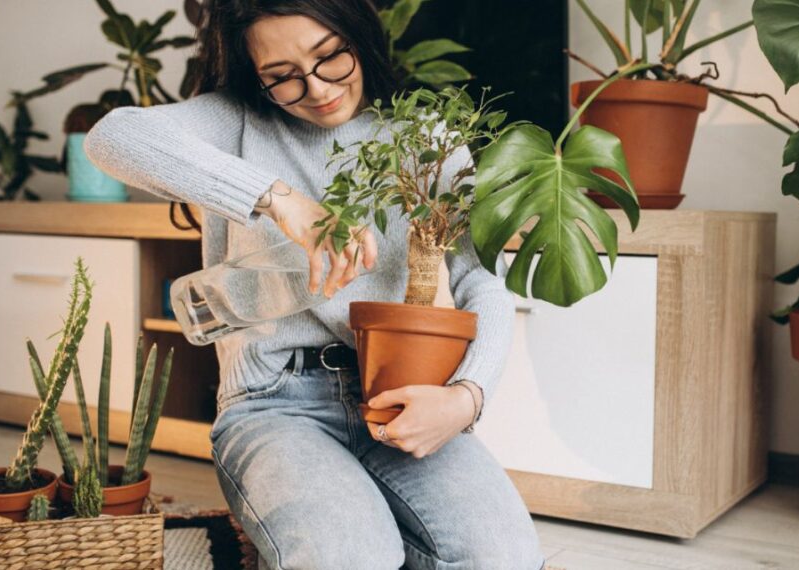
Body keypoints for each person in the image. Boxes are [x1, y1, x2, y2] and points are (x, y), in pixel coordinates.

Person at [83, 0, 545, 568]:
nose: (317, 88)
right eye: (282, 77)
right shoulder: (236, 121)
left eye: (330, 57)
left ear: (358, 36)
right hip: (274, 401)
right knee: (351, 558)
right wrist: (279, 201)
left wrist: (465, 398)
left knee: (504, 558)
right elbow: (111, 138)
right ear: (257, 76)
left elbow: (479, 279)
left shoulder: (427, 135)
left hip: (401, 393)